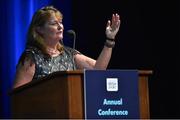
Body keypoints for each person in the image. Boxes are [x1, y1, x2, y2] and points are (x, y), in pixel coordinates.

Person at [12, 6, 121, 89]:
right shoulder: (30, 58)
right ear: (39, 29)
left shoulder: (69, 54)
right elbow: (18, 97)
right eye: (54, 23)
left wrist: (110, 39)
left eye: (60, 22)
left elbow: (99, 69)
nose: (60, 27)